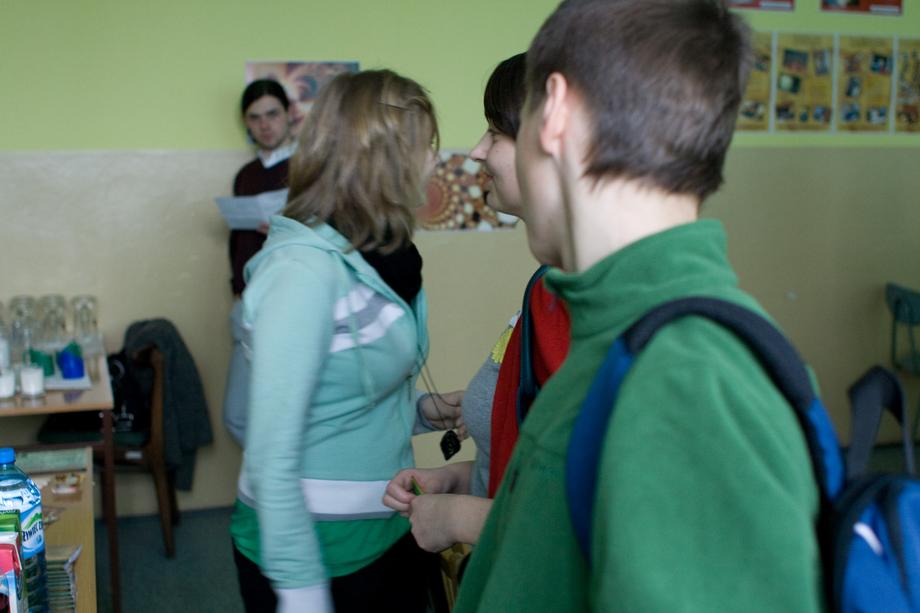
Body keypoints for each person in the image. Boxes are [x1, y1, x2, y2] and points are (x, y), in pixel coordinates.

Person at [455, 1, 824, 612]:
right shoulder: (620, 334)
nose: (477, 152)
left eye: (497, 133)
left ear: (556, 113)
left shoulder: (685, 383)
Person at [229, 69, 453, 613]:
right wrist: (302, 592)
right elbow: (272, 452)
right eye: (425, 146)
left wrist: (425, 411)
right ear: (382, 157)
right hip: (314, 551)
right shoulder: (301, 272)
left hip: (385, 525)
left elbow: (342, 398)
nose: (434, 161)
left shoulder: (384, 256)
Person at [383, 54, 570, 552]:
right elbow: (530, 470)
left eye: (496, 133)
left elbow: (592, 524)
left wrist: (463, 519)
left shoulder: (586, 310)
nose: (477, 151)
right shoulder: (545, 288)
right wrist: (460, 479)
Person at [223, 79, 296, 446]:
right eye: (255, 118)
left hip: (289, 300)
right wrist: (236, 289)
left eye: (272, 114)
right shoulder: (246, 175)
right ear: (246, 123)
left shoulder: (308, 167)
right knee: (239, 416)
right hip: (249, 299)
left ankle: (281, 477)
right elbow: (238, 240)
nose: (265, 125)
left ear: (289, 114)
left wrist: (286, 227)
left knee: (282, 411)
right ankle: (274, 478)